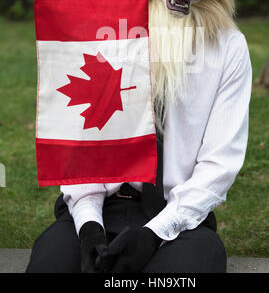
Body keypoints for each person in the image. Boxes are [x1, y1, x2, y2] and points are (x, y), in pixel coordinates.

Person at [26, 28, 251, 273]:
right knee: (50, 265)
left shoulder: (227, 45)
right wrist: (89, 225)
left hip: (179, 217)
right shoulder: (104, 30)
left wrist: (155, 233)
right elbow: (80, 147)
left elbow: (220, 164)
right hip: (97, 208)